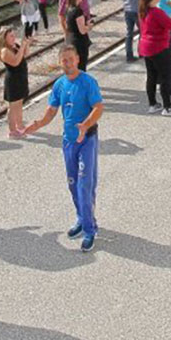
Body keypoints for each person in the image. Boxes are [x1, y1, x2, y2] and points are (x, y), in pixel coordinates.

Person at [22, 46, 103, 252]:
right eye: (64, 60)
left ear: (77, 59)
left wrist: (85, 125)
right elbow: (51, 111)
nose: (67, 63)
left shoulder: (88, 82)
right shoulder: (59, 85)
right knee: (73, 183)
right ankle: (81, 217)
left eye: (70, 59)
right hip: (68, 142)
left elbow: (98, 107)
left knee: (85, 184)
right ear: (60, 63)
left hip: (87, 140)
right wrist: (37, 124)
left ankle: (90, 230)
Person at [138, 0, 171, 115]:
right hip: (159, 47)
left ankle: (152, 103)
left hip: (146, 47)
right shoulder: (157, 12)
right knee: (165, 76)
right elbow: (170, 24)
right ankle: (167, 106)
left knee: (151, 76)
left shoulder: (144, 10)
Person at [0, 27, 32, 138]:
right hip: (13, 80)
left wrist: (26, 44)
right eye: (11, 36)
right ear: (4, 38)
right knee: (13, 106)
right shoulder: (4, 51)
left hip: (21, 78)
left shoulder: (14, 46)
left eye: (14, 35)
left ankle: (20, 125)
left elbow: (25, 55)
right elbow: (15, 62)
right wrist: (21, 47)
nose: (14, 37)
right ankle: (12, 130)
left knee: (19, 103)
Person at [64, 0, 92, 71]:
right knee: (81, 67)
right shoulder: (78, 11)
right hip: (79, 43)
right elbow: (82, 30)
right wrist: (89, 26)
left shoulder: (68, 9)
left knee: (73, 68)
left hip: (71, 40)